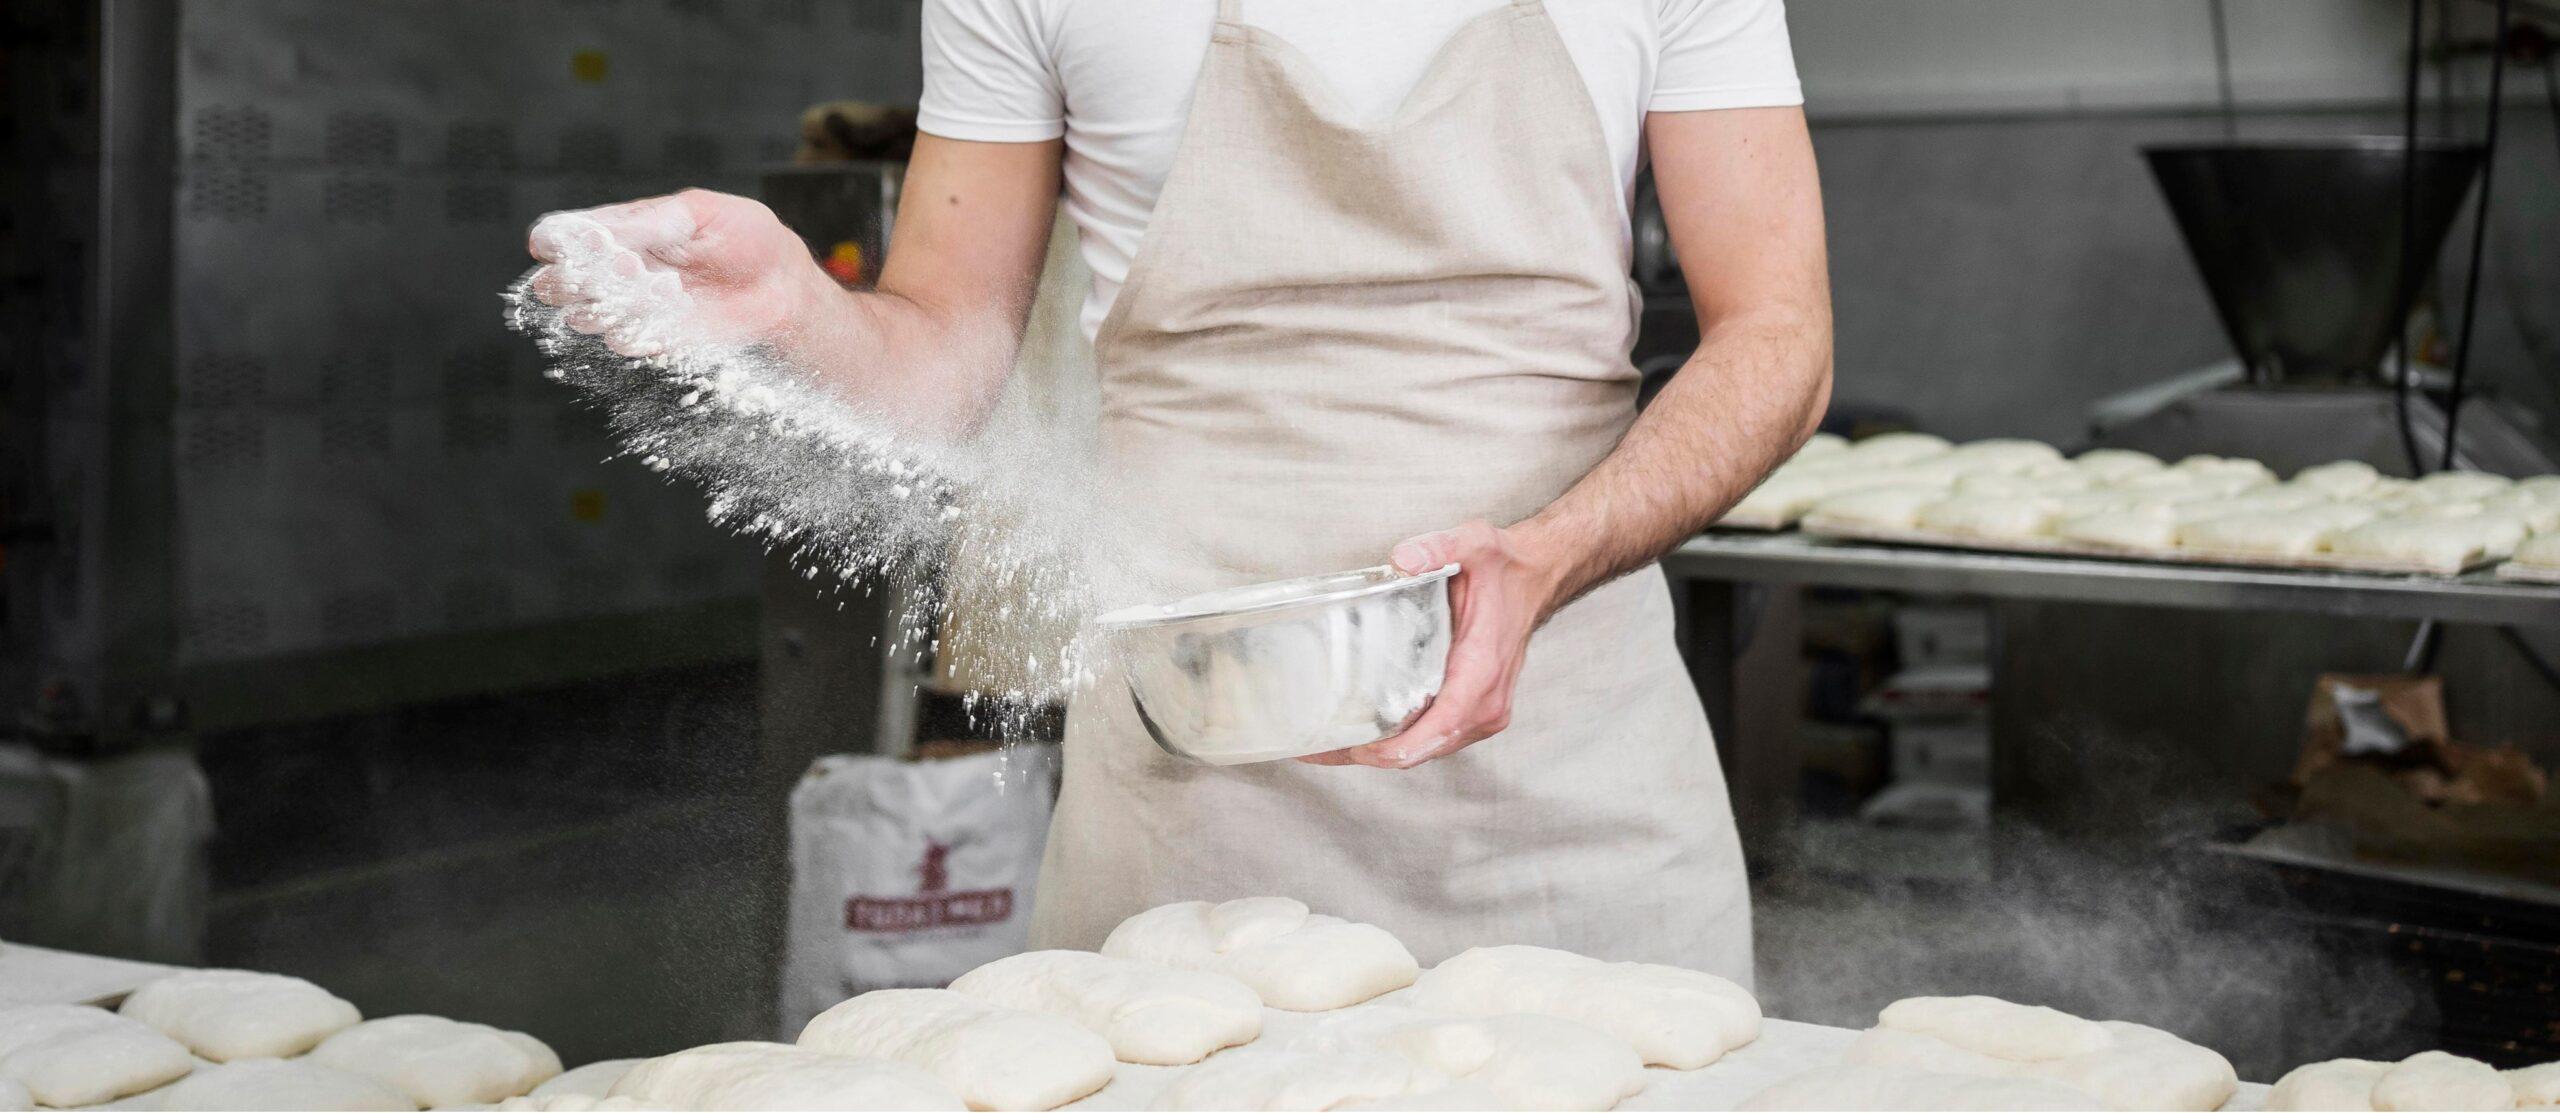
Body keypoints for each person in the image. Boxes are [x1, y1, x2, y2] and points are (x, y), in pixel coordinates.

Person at [529, 0, 1830, 982]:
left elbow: (1779, 334)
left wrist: (1554, 552)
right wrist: (798, 311)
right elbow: (943, 352)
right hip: (1193, 802)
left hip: (1569, 771)